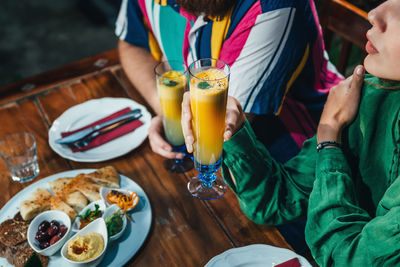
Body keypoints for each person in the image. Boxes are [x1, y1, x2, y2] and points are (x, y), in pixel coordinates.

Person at [181, 0, 400, 265]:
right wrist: (236, 126)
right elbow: (277, 199)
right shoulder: (371, 91)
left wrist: (329, 138)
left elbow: (348, 259)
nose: (375, 14)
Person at [115, 0, 342, 163]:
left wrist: (175, 118)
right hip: (215, 155)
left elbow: (217, 128)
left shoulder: (275, 6)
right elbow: (132, 43)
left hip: (298, 162)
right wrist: (165, 110)